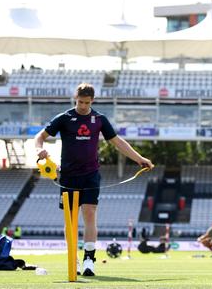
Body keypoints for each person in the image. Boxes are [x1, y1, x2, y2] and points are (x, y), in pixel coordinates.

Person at [34, 83, 153, 276]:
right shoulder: (64, 118)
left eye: (86, 102)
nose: (82, 106)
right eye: (80, 102)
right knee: (70, 219)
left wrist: (140, 159)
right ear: (75, 98)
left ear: (92, 101)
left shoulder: (99, 119)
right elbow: (40, 137)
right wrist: (39, 149)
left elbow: (118, 142)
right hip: (68, 177)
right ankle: (73, 260)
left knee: (89, 213)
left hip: (91, 174)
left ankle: (89, 259)